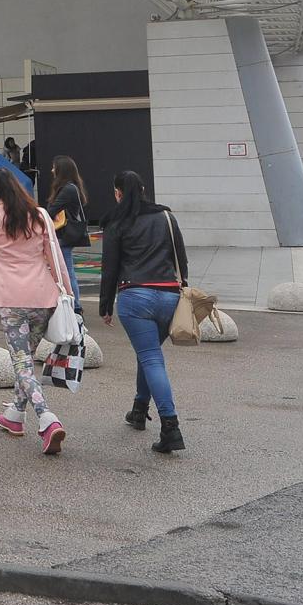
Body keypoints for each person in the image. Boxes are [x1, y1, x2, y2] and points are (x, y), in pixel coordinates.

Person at [0, 166, 71, 455]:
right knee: (25, 362)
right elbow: (55, 256)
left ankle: (46, 419)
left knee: (22, 363)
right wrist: (68, 293)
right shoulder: (40, 215)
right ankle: (15, 416)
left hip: (11, 299)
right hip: (43, 297)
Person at [99, 171, 190, 454]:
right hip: (169, 296)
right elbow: (181, 259)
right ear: (142, 190)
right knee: (148, 353)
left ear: (118, 193)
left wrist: (105, 306)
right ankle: (139, 409)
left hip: (134, 297)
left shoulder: (117, 222)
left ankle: (170, 426)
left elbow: (110, 267)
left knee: (151, 358)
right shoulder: (166, 217)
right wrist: (182, 289)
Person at [43, 156, 90, 313]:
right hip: (64, 236)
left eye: (54, 167)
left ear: (61, 170)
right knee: (66, 270)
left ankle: (75, 306)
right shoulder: (71, 187)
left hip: (63, 236)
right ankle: (72, 304)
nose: (52, 170)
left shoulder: (68, 189)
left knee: (66, 271)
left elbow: (51, 211)